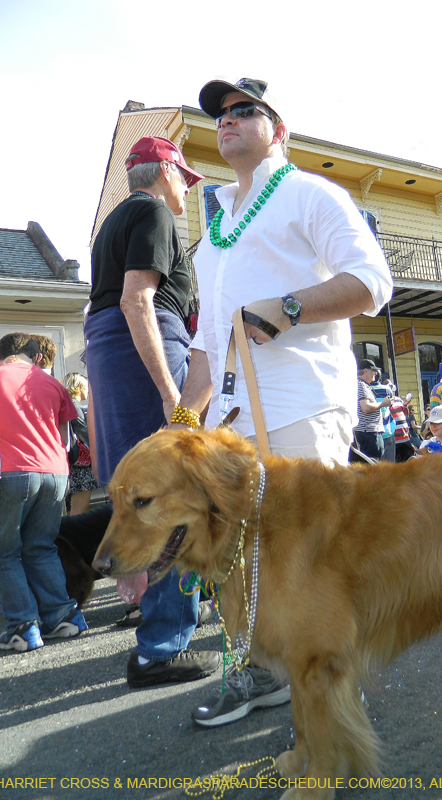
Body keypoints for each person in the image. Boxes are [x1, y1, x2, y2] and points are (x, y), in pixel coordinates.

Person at [173, 77, 392, 727]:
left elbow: (372, 282)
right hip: (230, 419)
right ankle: (263, 674)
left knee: (309, 553)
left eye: (246, 110)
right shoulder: (214, 225)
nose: (228, 120)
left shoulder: (309, 194)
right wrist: (183, 419)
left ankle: (335, 699)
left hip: (302, 404)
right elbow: (208, 341)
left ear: (279, 130)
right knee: (242, 557)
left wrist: (290, 306)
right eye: (221, 114)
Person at [85, 136, 219, 688]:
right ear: (165, 172)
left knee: (140, 490)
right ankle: (161, 647)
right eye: (184, 177)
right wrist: (169, 392)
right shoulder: (155, 213)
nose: (187, 189)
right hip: (147, 351)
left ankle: (160, 611)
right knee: (173, 492)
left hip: (112, 352)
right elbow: (136, 299)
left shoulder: (110, 226)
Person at [0, 333, 87, 651]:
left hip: (11, 471)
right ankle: (63, 616)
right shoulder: (53, 384)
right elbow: (65, 441)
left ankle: (23, 627)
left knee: (5, 552)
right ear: (35, 356)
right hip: (55, 474)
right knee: (41, 547)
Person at [63, 372, 98, 516]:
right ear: (78, 387)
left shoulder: (67, 403)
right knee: (80, 512)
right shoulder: (74, 404)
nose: (88, 390)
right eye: (85, 386)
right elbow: (85, 432)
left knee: (72, 512)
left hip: (73, 464)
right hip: (80, 466)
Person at [354, 361, 391, 460]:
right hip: (369, 432)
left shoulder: (362, 385)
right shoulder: (361, 385)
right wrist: (383, 403)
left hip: (368, 432)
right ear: (366, 371)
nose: (376, 373)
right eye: (373, 370)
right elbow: (365, 407)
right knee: (372, 464)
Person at [369, 370, 396, 462]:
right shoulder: (387, 389)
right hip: (388, 430)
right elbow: (391, 405)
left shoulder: (365, 389)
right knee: (389, 465)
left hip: (373, 432)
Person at [390, 391, 414, 462]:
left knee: (410, 461)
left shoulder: (398, 399)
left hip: (405, 438)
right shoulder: (381, 400)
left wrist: (406, 404)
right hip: (393, 441)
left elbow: (405, 414)